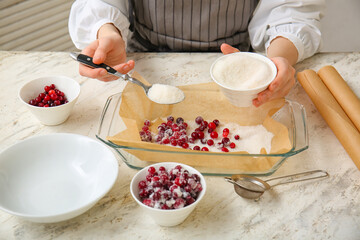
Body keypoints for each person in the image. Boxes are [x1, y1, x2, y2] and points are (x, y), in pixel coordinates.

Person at [69, 0, 325, 107]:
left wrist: (277, 60)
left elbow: (289, 6)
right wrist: (107, 32)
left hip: (238, 68)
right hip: (143, 61)